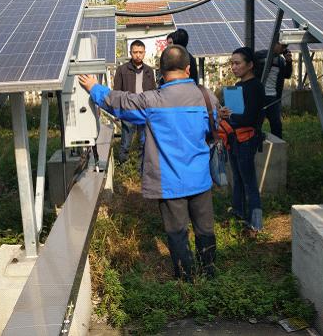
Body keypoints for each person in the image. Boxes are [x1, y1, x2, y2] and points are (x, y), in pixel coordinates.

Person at [79, 45, 218, 280]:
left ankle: (186, 278)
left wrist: (94, 88)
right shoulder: (207, 98)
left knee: (177, 232)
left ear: (161, 72)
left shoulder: (152, 100)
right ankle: (209, 273)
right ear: (187, 69)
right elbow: (211, 129)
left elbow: (121, 103)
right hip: (200, 178)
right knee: (205, 229)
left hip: (170, 181)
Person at [219, 47, 265, 234]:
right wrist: (226, 114)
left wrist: (230, 116)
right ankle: (238, 213)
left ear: (250, 65)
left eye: (237, 63)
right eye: (232, 63)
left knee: (249, 182)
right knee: (237, 178)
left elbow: (250, 118)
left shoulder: (255, 87)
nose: (233, 67)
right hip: (233, 138)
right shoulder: (237, 87)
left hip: (246, 139)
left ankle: (255, 223)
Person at [113, 40, 156, 163]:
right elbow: (117, 91)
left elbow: (153, 91)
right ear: (130, 53)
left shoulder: (149, 70)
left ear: (144, 53)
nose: (138, 55)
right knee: (126, 141)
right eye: (135, 52)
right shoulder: (122, 70)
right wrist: (117, 111)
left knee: (144, 141)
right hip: (128, 109)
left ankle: (141, 166)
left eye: (140, 52)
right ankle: (123, 165)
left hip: (144, 109)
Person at [255, 43, 292, 139]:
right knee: (256, 122)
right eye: (282, 46)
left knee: (276, 124)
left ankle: (278, 145)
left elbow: (287, 75)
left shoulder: (281, 61)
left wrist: (289, 62)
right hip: (259, 96)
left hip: (273, 97)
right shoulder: (260, 55)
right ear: (275, 43)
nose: (283, 49)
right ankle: (255, 143)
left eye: (285, 47)